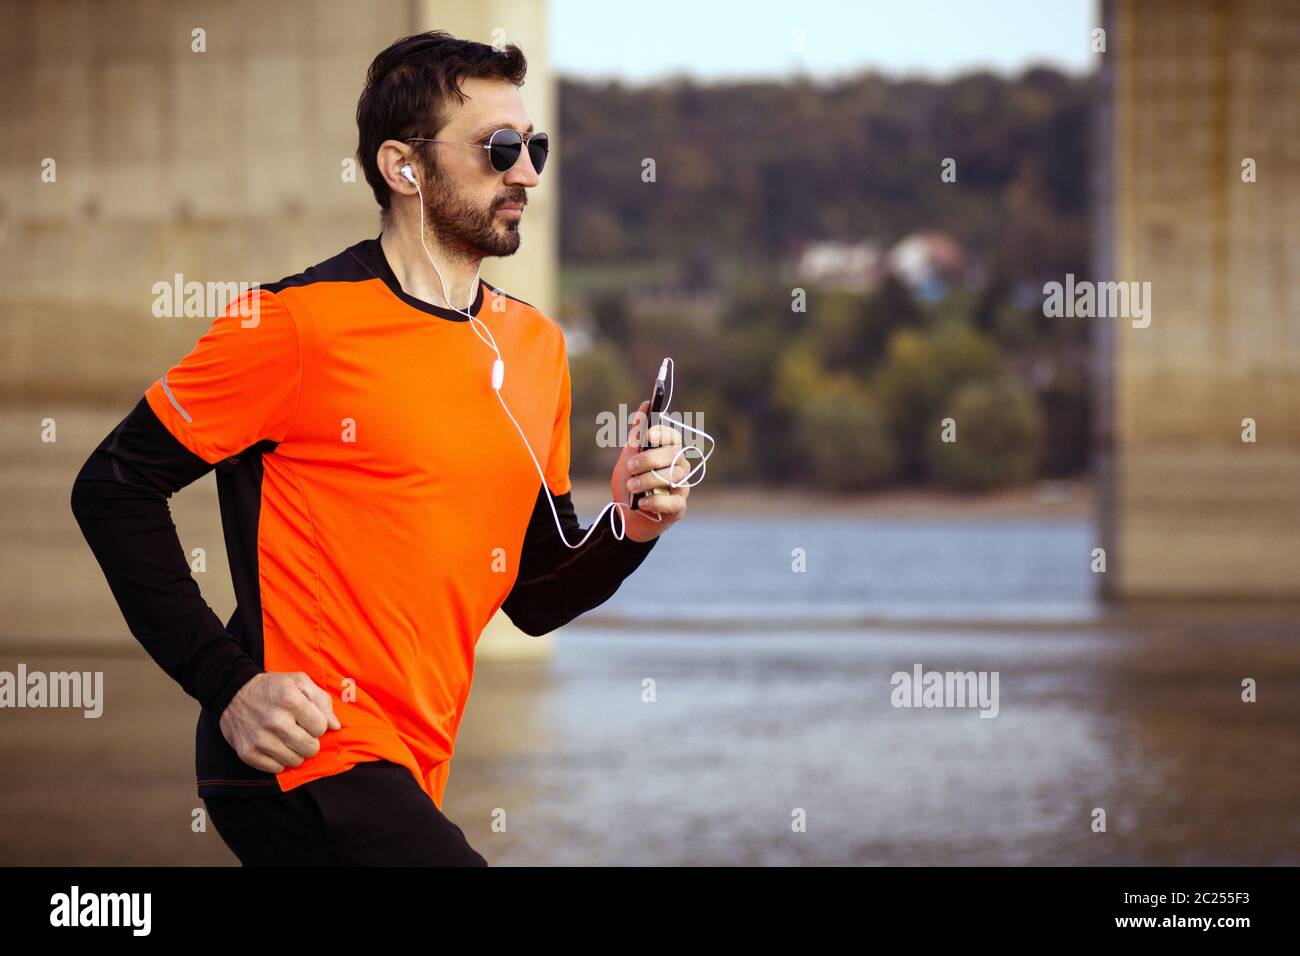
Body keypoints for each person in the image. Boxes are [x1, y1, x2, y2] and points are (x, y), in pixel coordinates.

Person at [70, 29, 691, 866]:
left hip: (409, 763)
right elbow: (112, 488)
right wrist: (227, 685)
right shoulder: (292, 324)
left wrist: (632, 526)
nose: (528, 173)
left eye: (534, 145)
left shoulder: (537, 349)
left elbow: (536, 594)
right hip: (297, 753)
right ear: (403, 167)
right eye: (499, 148)